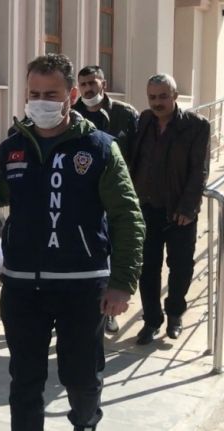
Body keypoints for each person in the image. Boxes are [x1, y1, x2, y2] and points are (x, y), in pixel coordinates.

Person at [0, 53, 144, 431]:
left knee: (81, 378)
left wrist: (122, 282)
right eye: (34, 94)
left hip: (82, 286)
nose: (40, 102)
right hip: (22, 286)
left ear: (71, 95)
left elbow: (128, 216)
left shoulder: (99, 148)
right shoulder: (12, 148)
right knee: (24, 381)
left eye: (51, 94)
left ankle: (85, 424)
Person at [127, 73, 210, 345]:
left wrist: (188, 207)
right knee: (147, 268)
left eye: (163, 96)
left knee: (181, 267)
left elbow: (199, 170)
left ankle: (175, 313)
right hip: (146, 209)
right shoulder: (144, 120)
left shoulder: (196, 126)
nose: (157, 102)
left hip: (179, 212)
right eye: (152, 97)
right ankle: (152, 320)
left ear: (175, 96)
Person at [72, 65, 140, 334]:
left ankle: (109, 312)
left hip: (114, 198)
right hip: (82, 201)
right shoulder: (72, 113)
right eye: (83, 84)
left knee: (113, 254)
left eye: (93, 82)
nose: (88, 88)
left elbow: (138, 156)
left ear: (104, 84)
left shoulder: (125, 114)